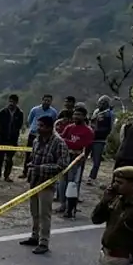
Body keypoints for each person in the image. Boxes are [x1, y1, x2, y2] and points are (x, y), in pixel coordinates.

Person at [20, 115, 69, 254]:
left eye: (41, 126)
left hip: (47, 183)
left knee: (44, 214)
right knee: (34, 212)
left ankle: (44, 242)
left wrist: (40, 168)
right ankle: (35, 236)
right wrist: (31, 167)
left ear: (49, 127)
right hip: (34, 181)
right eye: (38, 125)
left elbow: (62, 165)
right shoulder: (36, 141)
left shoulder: (59, 143)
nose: (38, 128)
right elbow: (34, 158)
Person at [59, 106, 94, 218]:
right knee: (62, 182)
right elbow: (60, 139)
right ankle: (62, 204)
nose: (76, 117)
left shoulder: (88, 131)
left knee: (73, 183)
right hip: (65, 157)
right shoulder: (69, 127)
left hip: (77, 159)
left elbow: (81, 145)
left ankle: (70, 208)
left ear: (84, 116)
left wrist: (66, 142)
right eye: (75, 114)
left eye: (79, 115)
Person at [0, 94, 25, 182]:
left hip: (12, 140)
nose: (11, 103)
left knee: (9, 159)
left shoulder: (20, 113)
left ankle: (7, 176)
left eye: (13, 102)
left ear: (16, 103)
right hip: (2, 139)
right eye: (10, 101)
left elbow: (19, 125)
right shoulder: (2, 112)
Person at [25, 94, 58, 166]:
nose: (46, 102)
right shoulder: (34, 109)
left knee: (41, 154)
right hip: (33, 134)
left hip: (45, 136)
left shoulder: (53, 112)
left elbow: (54, 123)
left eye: (48, 101)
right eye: (45, 100)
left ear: (51, 102)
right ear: (42, 100)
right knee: (29, 153)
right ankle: (26, 170)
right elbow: (30, 120)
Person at [88, 96, 115, 183]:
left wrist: (104, 136)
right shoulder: (96, 111)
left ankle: (92, 177)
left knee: (96, 160)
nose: (101, 104)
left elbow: (110, 127)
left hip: (100, 139)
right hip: (90, 138)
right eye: (100, 102)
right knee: (82, 157)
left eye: (103, 102)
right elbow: (91, 123)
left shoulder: (109, 114)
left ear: (107, 104)